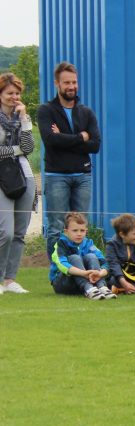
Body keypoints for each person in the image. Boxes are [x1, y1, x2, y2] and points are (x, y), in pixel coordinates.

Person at [38, 62, 101, 254]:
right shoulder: (46, 110)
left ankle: (79, 270)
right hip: (56, 176)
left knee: (80, 228)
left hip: (83, 175)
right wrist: (81, 137)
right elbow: (50, 141)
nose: (71, 86)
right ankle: (58, 273)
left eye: (74, 82)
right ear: (57, 83)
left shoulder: (86, 112)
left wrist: (63, 137)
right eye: (66, 82)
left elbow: (95, 145)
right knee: (57, 227)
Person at [0, 72, 35, 294]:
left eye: (17, 93)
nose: (14, 97)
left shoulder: (23, 117)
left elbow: (29, 147)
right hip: (2, 177)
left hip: (24, 174)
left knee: (20, 232)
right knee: (6, 232)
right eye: (9, 93)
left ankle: (10, 279)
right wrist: (16, 150)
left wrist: (24, 120)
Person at [49, 212, 114, 300]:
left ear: (86, 231)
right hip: (64, 284)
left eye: (82, 230)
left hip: (88, 280)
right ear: (66, 231)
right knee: (74, 258)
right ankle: (89, 289)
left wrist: (99, 274)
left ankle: (101, 287)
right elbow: (62, 265)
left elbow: (104, 262)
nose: (79, 234)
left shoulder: (88, 243)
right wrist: (84, 273)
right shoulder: (61, 244)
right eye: (75, 230)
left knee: (91, 256)